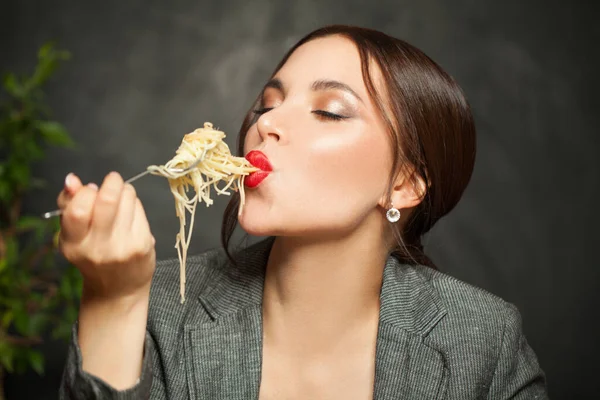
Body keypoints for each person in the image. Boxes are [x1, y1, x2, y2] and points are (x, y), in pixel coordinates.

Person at [57, 25, 548, 399]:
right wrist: (113, 299)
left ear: (403, 183)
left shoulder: (483, 339)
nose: (267, 122)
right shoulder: (159, 304)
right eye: (267, 105)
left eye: (329, 111)